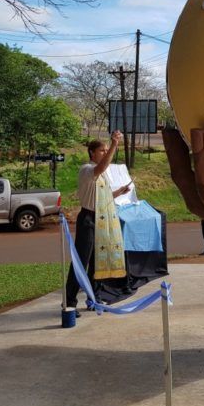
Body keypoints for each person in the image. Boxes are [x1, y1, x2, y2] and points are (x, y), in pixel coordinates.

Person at [65, 131, 131, 311]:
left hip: (101, 220)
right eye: (102, 150)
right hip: (88, 219)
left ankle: (94, 298)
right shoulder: (87, 170)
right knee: (81, 261)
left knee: (97, 262)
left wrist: (120, 192)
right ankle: (69, 302)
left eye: (106, 150)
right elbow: (101, 167)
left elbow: (104, 196)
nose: (104, 152)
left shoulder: (102, 176)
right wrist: (115, 143)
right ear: (92, 153)